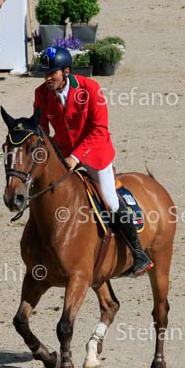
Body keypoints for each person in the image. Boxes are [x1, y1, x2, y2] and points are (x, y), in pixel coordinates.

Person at [34, 46, 153, 277]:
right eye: (45, 74)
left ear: (66, 71)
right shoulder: (41, 93)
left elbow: (100, 130)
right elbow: (41, 130)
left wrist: (75, 157)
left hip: (94, 152)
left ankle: (138, 253)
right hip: (63, 153)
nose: (47, 78)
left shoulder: (90, 89)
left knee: (110, 200)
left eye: (52, 73)